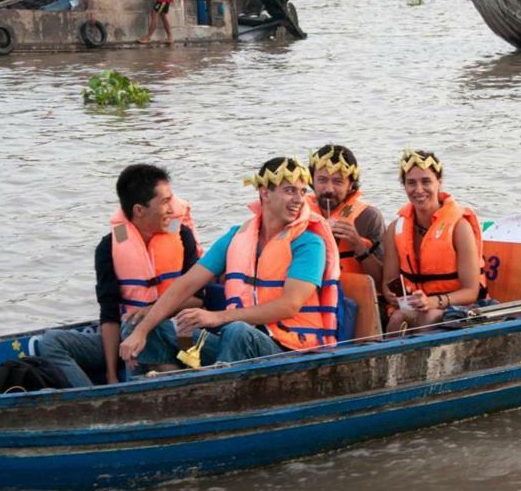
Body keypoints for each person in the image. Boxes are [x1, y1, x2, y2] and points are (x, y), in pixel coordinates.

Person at [120, 157, 341, 369]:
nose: (299, 199)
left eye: (303, 192)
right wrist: (143, 329)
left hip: (289, 350)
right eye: (290, 190)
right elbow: (186, 284)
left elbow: (290, 304)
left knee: (237, 331)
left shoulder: (310, 244)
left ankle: (213, 388)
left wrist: (216, 317)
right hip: (234, 340)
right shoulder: (238, 237)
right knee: (139, 325)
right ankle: (168, 382)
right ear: (265, 193)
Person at [37, 164, 203, 387]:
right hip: (127, 336)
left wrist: (150, 311)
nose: (172, 210)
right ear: (139, 210)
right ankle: (95, 398)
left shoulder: (182, 236)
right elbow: (110, 313)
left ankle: (164, 384)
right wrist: (111, 375)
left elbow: (198, 299)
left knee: (141, 324)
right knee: (52, 341)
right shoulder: (108, 247)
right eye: (164, 202)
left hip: (177, 334)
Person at [382, 150, 485, 335]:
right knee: (397, 318)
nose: (418, 189)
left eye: (426, 181)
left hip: (455, 307)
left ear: (439, 183)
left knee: (427, 318)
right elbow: (388, 282)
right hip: (415, 306)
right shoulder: (394, 229)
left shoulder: (460, 227)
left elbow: (471, 291)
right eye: (411, 183)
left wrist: (432, 302)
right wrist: (394, 297)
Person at [307, 144, 385, 291]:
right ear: (312, 180)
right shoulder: (299, 213)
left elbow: (383, 282)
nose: (329, 189)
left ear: (351, 185)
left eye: (338, 181)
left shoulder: (369, 217)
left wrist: (357, 244)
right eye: (322, 180)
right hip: (311, 298)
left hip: (356, 299)